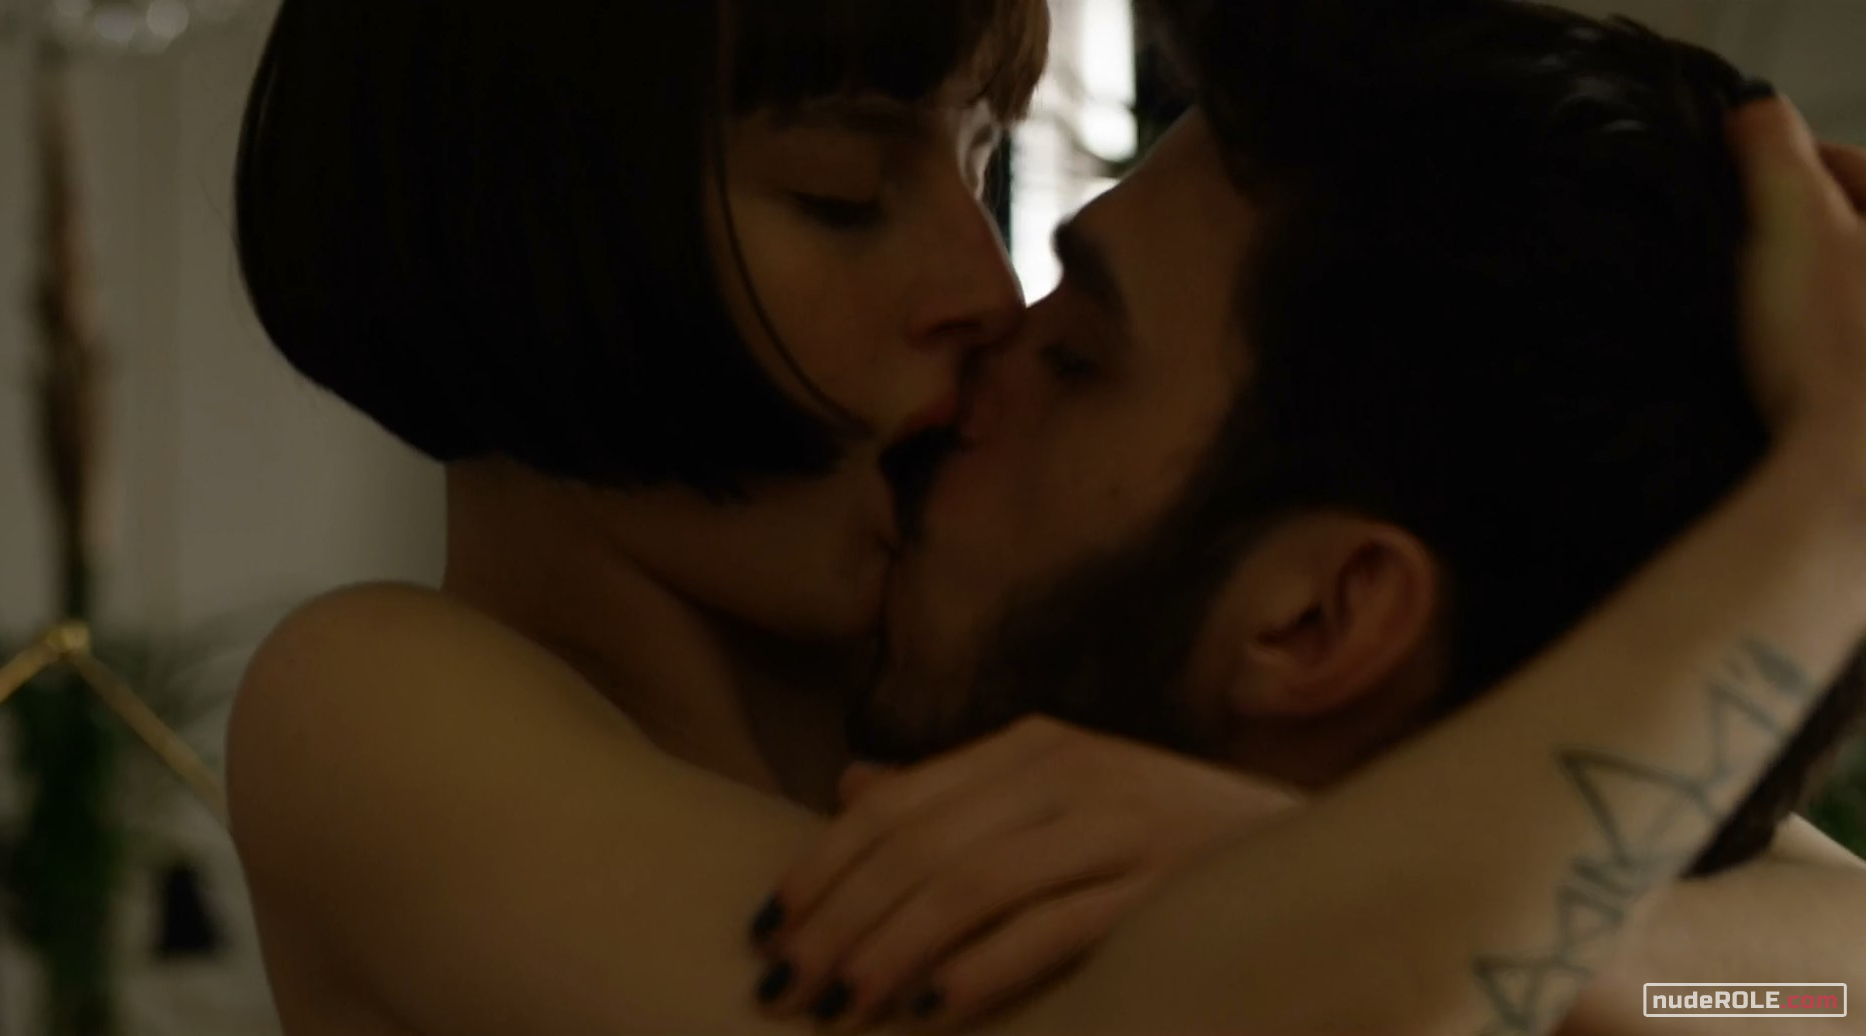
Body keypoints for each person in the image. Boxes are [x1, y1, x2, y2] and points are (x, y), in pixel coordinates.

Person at [223, 0, 1866, 1033]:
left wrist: (1568, 947)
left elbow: (1817, 974)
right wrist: (1830, 509)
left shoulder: (1011, 676)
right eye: (843, 199)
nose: (984, 288)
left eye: (981, 165)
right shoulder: (383, 711)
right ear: (518, 224)